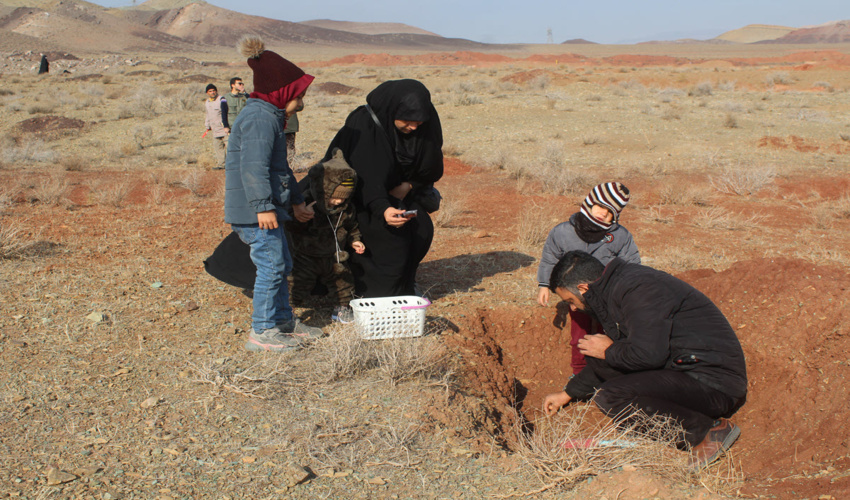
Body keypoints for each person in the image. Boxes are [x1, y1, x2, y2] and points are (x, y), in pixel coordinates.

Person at [541, 251, 748, 469]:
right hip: (683, 370)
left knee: (611, 395)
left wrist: (609, 351)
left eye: (570, 301)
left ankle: (706, 432)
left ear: (583, 288)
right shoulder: (615, 291)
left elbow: (648, 355)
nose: (573, 308)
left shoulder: (638, 289)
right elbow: (616, 359)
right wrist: (568, 393)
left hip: (713, 383)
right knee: (608, 362)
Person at [225, 35, 322, 352]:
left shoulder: (270, 118)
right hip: (256, 214)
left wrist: (295, 201)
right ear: (283, 93)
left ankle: (283, 323)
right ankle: (262, 331)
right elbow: (252, 168)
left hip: (268, 209)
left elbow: (280, 168)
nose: (301, 104)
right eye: (299, 97)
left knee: (281, 265)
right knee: (271, 267)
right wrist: (263, 206)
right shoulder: (258, 119)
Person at [323, 79, 443, 298]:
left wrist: (409, 186)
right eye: (407, 120)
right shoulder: (364, 125)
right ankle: (366, 293)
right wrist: (383, 208)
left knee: (421, 228)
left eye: (419, 121)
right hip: (357, 196)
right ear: (391, 111)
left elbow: (430, 166)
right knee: (381, 236)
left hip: (400, 193)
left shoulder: (425, 125)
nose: (414, 127)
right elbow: (364, 178)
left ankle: (406, 282)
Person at [537, 182, 640, 375]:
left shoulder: (620, 235)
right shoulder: (562, 232)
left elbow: (631, 263)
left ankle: (608, 371)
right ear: (590, 202)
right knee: (579, 335)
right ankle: (579, 371)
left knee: (611, 332)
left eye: (610, 212)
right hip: (576, 295)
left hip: (607, 295)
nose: (603, 213)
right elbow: (550, 257)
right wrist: (544, 284)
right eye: (600, 206)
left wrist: (630, 291)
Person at [286, 148, 364, 323]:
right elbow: (291, 226)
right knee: (296, 282)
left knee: (344, 283)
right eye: (333, 197)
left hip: (334, 256)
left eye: (343, 198)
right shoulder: (307, 203)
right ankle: (287, 310)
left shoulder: (346, 209)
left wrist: (355, 240)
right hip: (306, 256)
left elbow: (352, 227)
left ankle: (342, 309)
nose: (338, 201)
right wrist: (301, 217)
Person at [204, 83, 229, 170]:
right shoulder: (207, 102)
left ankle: (233, 165)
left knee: (229, 147)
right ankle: (222, 165)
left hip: (224, 128)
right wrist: (207, 125)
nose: (212, 92)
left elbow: (225, 113)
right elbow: (208, 114)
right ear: (207, 93)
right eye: (210, 91)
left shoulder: (222, 99)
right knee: (218, 147)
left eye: (214, 90)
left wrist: (226, 126)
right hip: (215, 129)